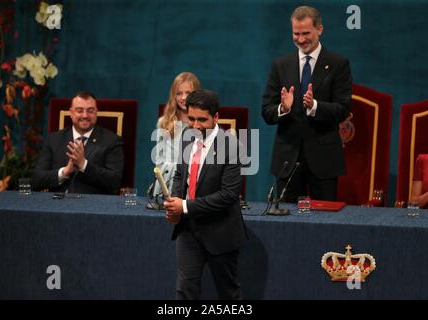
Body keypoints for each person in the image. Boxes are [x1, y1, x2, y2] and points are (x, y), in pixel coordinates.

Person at [261, 5, 352, 202]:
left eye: (305, 33)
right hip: (287, 159)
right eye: (296, 34)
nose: (300, 39)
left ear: (320, 29)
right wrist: (283, 108)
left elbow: (343, 108)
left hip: (324, 160)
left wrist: (315, 106)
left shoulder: (338, 64)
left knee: (325, 223)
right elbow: (266, 112)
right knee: (287, 223)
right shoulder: (280, 65)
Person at [164, 89, 247, 300]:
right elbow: (180, 175)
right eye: (191, 119)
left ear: (216, 117)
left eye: (202, 120)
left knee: (228, 293)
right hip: (188, 231)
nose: (196, 126)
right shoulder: (186, 137)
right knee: (184, 290)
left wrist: (184, 206)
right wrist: (174, 203)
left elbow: (228, 195)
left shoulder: (232, 146)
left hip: (221, 232)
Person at [32, 91, 124, 194]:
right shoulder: (54, 139)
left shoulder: (111, 141)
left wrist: (83, 164)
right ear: (71, 113)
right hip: (57, 204)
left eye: (90, 111)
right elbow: (36, 180)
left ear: (96, 112)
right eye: (79, 111)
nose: (85, 115)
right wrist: (64, 172)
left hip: (93, 206)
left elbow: (115, 182)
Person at [150, 72, 201, 203]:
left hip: (195, 188)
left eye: (188, 93)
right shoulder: (164, 122)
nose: (183, 98)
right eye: (179, 93)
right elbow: (159, 160)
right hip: (168, 187)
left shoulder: (202, 124)